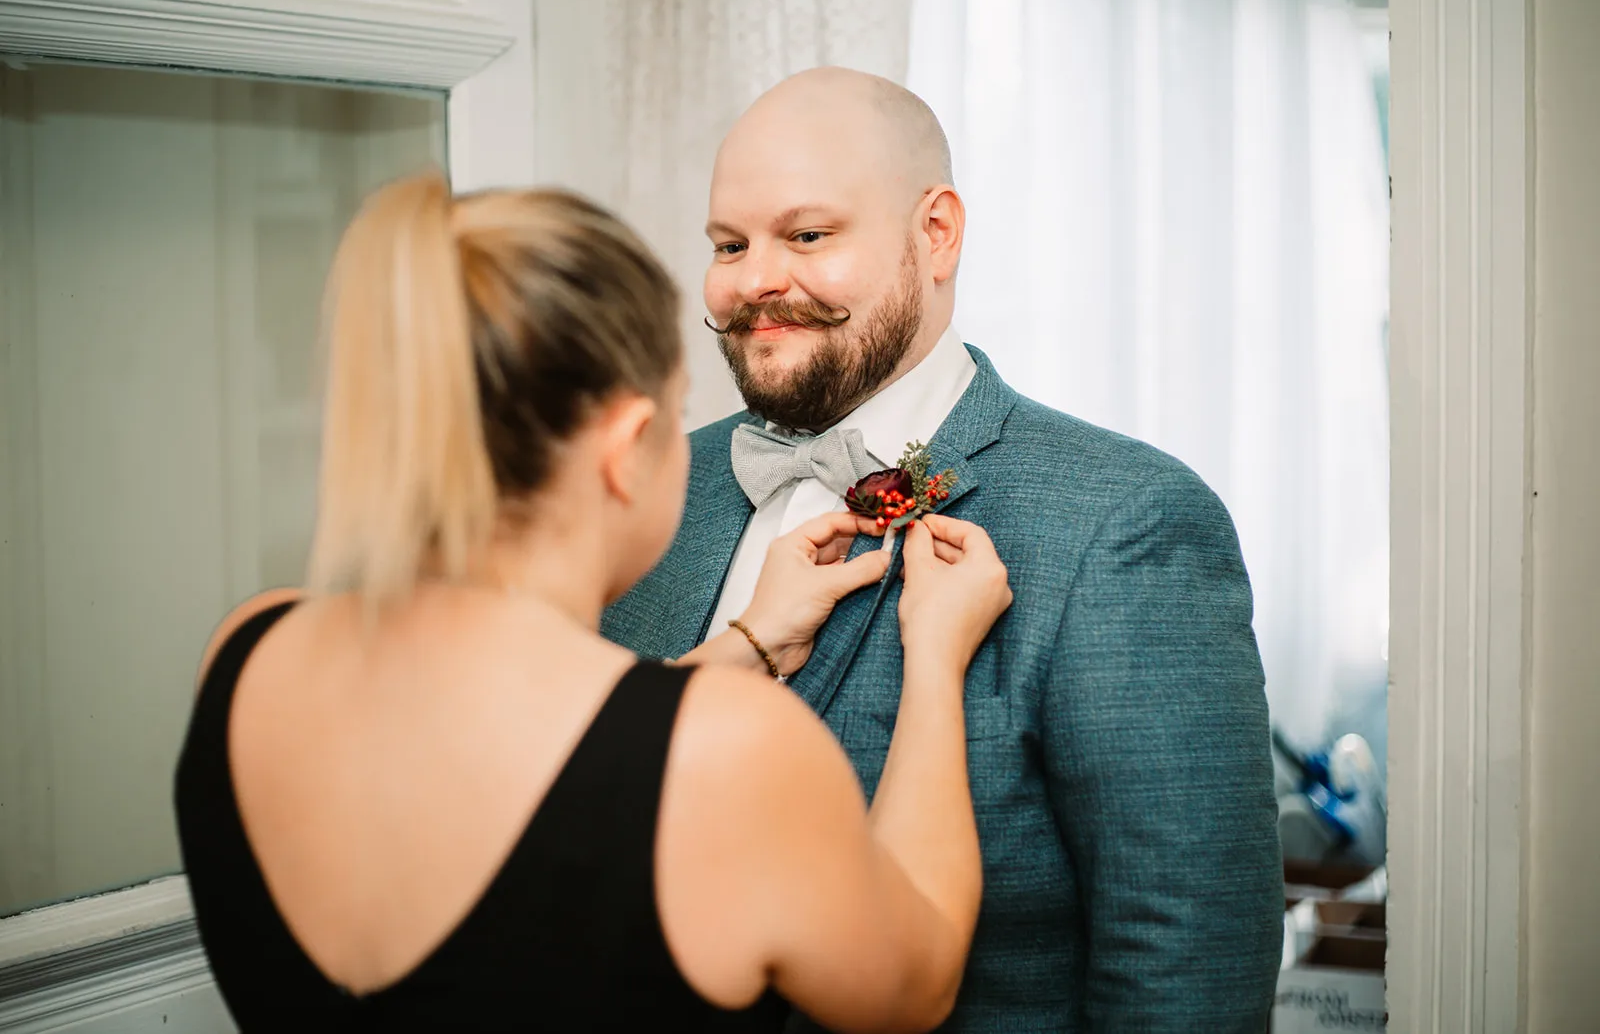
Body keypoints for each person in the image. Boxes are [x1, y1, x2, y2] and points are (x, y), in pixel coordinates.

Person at [172, 171, 1016, 1032]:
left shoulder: (248, 650)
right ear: (626, 447)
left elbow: (565, 782)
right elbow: (915, 980)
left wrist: (750, 640)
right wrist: (937, 661)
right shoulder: (733, 751)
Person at [602, 67, 1283, 1031]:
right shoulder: (647, 488)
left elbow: (1186, 960)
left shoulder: (1127, 521)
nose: (755, 279)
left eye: (806, 234)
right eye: (728, 243)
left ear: (936, 234)